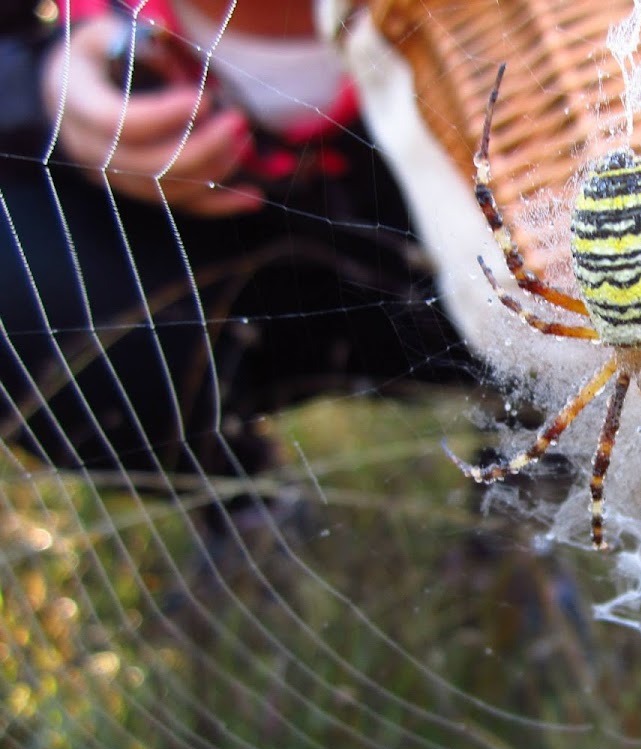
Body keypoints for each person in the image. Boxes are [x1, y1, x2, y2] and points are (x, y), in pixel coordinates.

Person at [0, 0, 473, 486]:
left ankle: (533, 416)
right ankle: (235, 492)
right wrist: (39, 78)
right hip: (225, 243)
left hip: (466, 204)